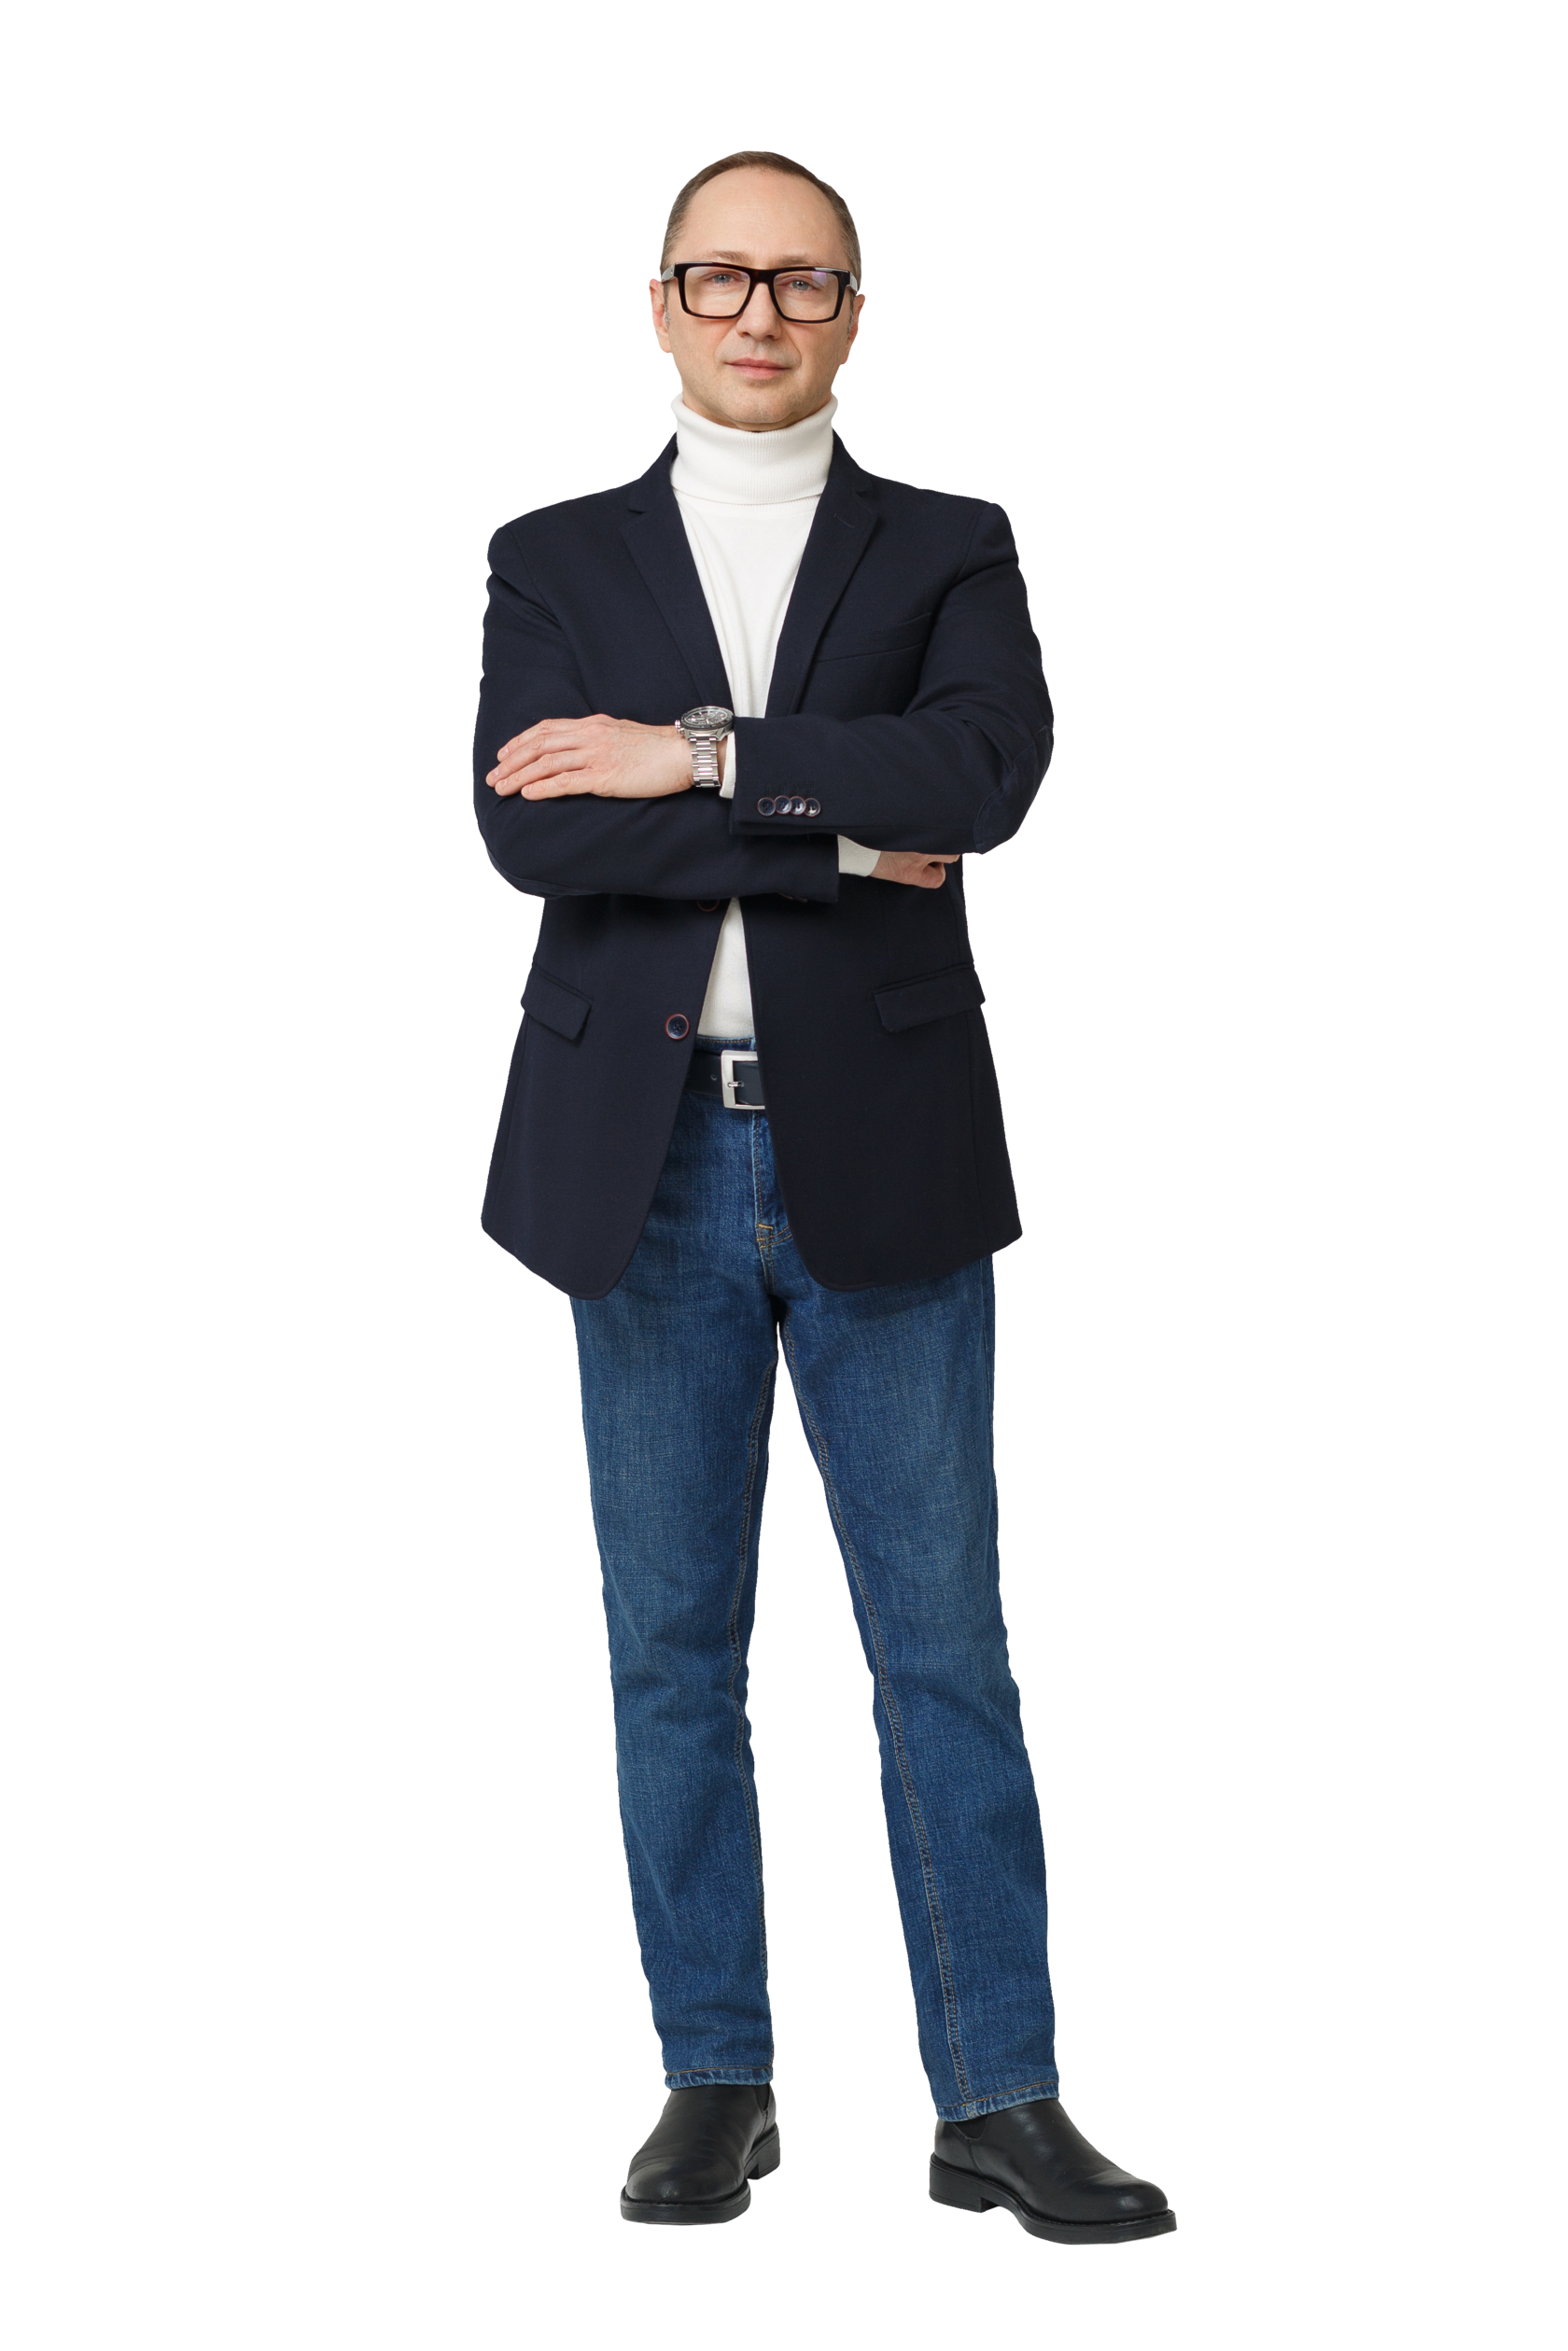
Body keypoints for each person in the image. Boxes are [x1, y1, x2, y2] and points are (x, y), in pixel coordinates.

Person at [475, 149, 1175, 2246]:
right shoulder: (549, 551)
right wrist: (844, 829)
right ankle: (717, 2073)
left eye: (801, 280)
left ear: (856, 311)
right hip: (641, 1166)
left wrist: (688, 758)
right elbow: (533, 838)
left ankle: (1000, 2096)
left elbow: (983, 778)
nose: (759, 313)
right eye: (720, 277)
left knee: (945, 1646)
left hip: (887, 1151)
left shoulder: (952, 538)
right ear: (660, 306)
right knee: (670, 1649)